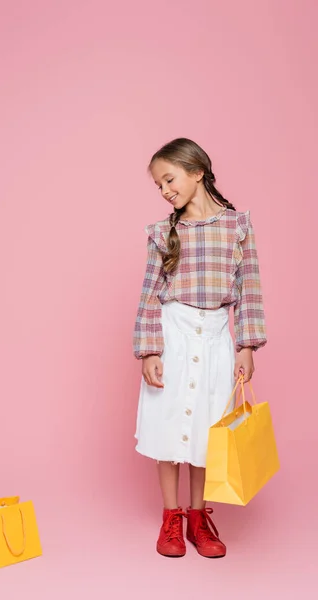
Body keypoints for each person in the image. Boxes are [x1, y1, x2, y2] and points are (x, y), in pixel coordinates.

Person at [133, 138, 267, 559]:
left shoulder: (237, 226)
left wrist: (247, 343)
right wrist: (150, 349)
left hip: (215, 339)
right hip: (173, 335)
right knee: (169, 423)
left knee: (208, 430)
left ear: (197, 172)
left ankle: (197, 515)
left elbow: (249, 289)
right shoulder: (164, 233)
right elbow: (150, 294)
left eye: (169, 179)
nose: (165, 190)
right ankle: (170, 516)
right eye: (158, 186)